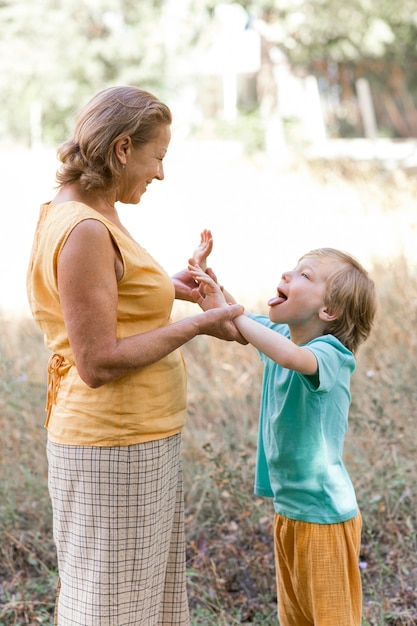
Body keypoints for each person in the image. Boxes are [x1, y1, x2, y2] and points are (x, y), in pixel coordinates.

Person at [26, 86, 244, 626]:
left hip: (135, 438)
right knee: (111, 609)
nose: (162, 174)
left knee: (140, 603)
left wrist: (170, 288)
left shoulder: (86, 210)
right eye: (158, 156)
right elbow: (96, 362)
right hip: (115, 444)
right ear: (123, 149)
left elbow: (109, 295)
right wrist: (199, 324)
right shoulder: (85, 230)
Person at [188, 245, 377, 626]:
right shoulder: (278, 335)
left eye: (305, 275)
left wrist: (232, 314)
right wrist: (212, 287)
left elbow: (287, 355)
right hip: (290, 511)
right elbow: (239, 322)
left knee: (332, 618)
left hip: (324, 515)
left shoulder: (329, 354)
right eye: (292, 269)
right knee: (296, 617)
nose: (288, 274)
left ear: (328, 312)